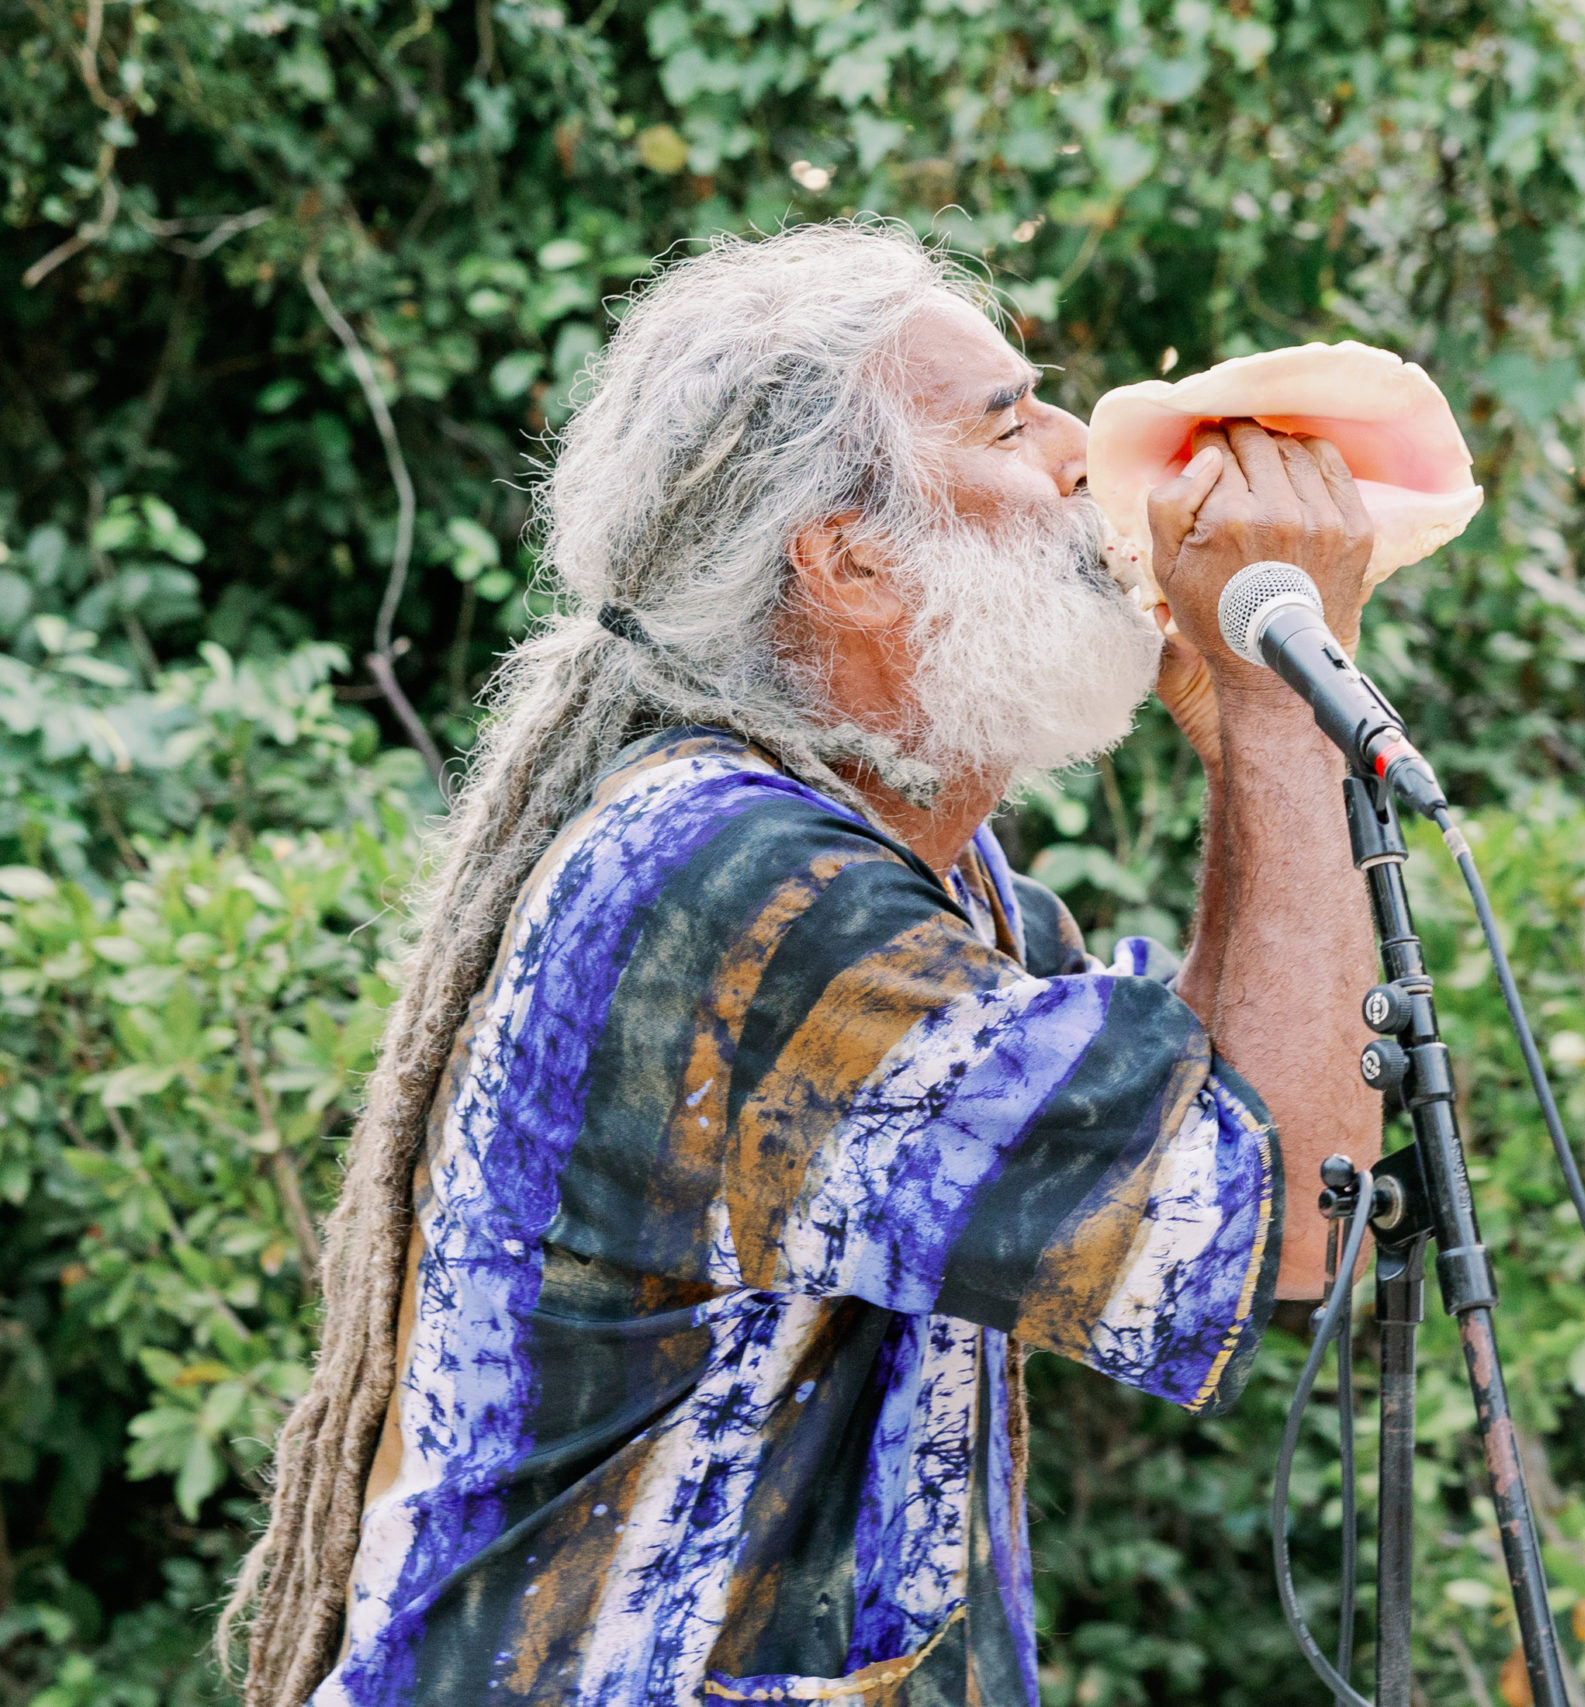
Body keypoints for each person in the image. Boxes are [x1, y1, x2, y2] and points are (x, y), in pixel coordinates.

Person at [220, 220, 1385, 1707]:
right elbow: (1273, 1224)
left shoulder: (915, 884)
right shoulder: (753, 903)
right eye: (1009, 417)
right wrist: (1280, 715)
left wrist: (1244, 725)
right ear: (850, 563)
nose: (1084, 449)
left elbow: (1248, 1136)